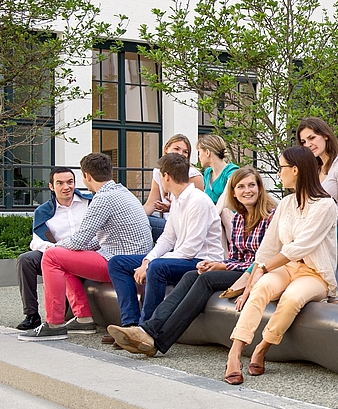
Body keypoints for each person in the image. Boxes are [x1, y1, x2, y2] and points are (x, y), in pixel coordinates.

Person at [106, 166, 276, 356]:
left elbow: (263, 259)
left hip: (260, 273)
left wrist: (221, 265)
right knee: (190, 276)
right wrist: (219, 265)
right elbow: (236, 257)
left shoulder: (270, 216)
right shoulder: (238, 219)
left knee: (204, 279)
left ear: (260, 188)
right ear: (234, 193)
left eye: (252, 185)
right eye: (241, 187)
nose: (247, 191)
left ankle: (156, 339)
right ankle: (147, 330)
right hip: (239, 270)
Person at [223, 147, 338, 385]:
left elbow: (300, 246)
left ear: (295, 170)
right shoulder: (286, 203)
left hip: (315, 273)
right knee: (261, 289)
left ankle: (263, 347)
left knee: (293, 298)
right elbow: (268, 247)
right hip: (287, 268)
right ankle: (234, 354)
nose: (279, 173)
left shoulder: (326, 205)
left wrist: (266, 268)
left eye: (282, 168)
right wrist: (250, 283)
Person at [18, 153, 153, 341]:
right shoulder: (123, 192)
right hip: (135, 258)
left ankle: (54, 324)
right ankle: (83, 318)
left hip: (117, 261)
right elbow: (93, 241)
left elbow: (79, 241)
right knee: (65, 256)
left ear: (87, 176)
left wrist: (55, 248)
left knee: (52, 257)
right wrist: (65, 249)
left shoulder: (102, 198)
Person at [107, 153, 225, 328]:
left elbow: (190, 250)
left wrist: (151, 263)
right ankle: (129, 324)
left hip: (201, 261)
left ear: (166, 176)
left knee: (157, 267)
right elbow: (167, 238)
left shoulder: (198, 201)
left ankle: (145, 328)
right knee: (117, 263)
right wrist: (148, 259)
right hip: (181, 258)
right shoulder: (177, 200)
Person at [15, 167, 92, 331]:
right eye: (60, 183)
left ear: (75, 183)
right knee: (26, 260)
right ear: (51, 186)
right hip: (56, 254)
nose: (66, 187)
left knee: (65, 314)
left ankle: (66, 315)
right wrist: (56, 247)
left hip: (87, 254)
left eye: (70, 182)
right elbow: (36, 241)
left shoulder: (89, 203)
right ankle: (31, 315)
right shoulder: (43, 211)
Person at [297, 117, 338, 255]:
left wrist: (318, 227)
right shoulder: (314, 169)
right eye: (304, 142)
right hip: (321, 229)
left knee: (304, 244)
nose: (308, 144)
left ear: (325, 136)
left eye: (312, 138)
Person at [143, 134, 205, 240]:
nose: (181, 154)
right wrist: (132, 216)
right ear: (167, 149)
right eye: (177, 149)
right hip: (168, 224)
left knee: (146, 221)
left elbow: (199, 211)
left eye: (185, 152)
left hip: (183, 228)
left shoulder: (194, 175)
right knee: (139, 218)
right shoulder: (158, 173)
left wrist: (173, 207)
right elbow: (150, 204)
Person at [197, 134, 239, 205]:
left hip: (229, 214)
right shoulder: (207, 173)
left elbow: (226, 196)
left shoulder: (232, 171)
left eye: (199, 152)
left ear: (207, 152)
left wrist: (214, 215)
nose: (199, 156)